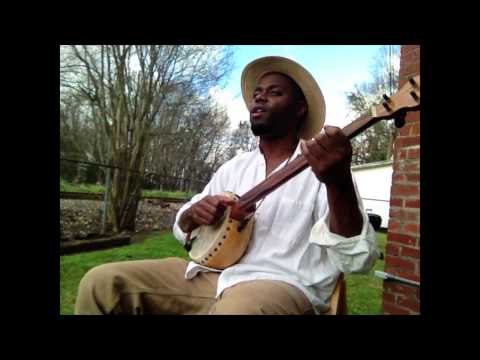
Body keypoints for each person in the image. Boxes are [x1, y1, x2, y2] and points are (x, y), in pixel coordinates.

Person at [75, 56, 378, 315]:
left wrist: (337, 183)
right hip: (211, 275)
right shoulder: (234, 167)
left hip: (282, 284)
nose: (259, 97)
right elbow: (184, 229)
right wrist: (193, 214)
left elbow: (357, 260)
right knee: (103, 282)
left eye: (274, 93)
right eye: (257, 92)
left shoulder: (326, 164)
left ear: (299, 108)